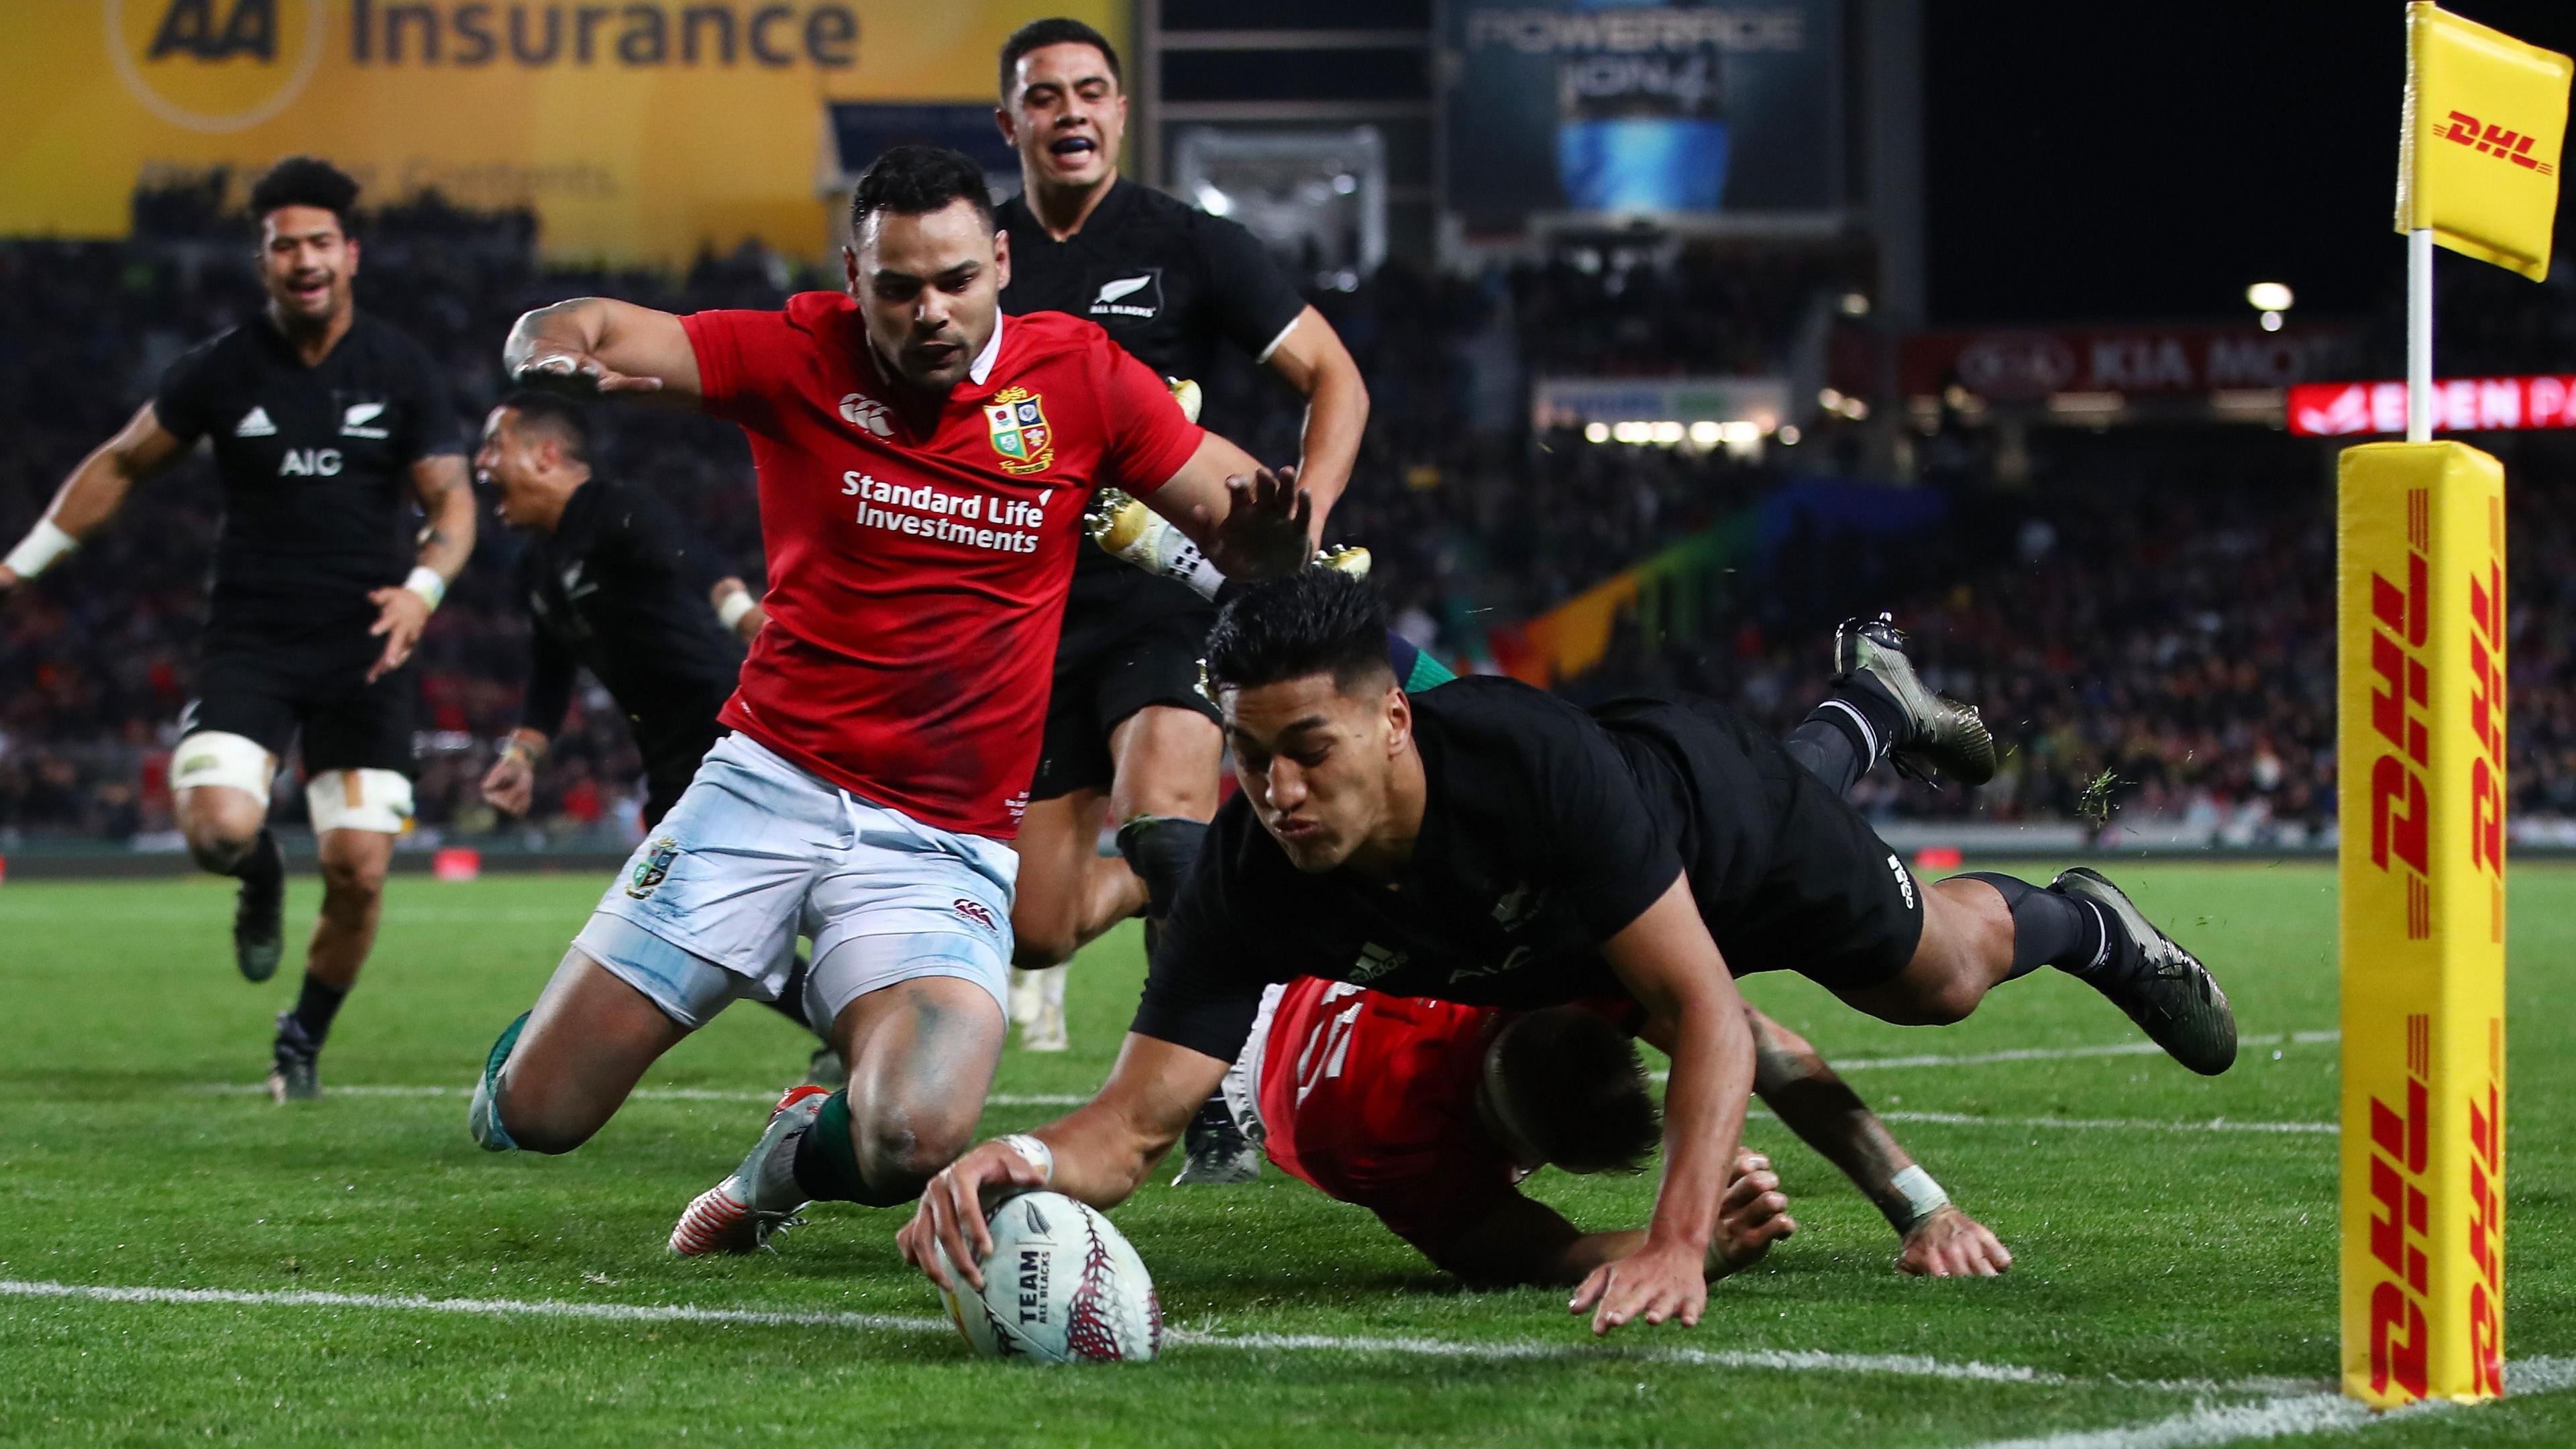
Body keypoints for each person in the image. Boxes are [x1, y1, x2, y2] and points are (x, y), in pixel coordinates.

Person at [896, 571, 2235, 1336]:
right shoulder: (1258, 869)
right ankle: (1867, 708)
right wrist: (1014, 1158)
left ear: (1394, 727)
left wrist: (1679, 1244)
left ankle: (2089, 918)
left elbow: (1711, 1010)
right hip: (1589, 906)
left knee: (1935, 978)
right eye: (1250, 757)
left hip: (1720, 828)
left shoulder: (1528, 769)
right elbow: (1133, 1129)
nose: (1279, 790)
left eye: (1310, 750)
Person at [462, 147, 1316, 1258]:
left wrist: (1267, 545)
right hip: (762, 791)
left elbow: (1234, 513)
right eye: (899, 286)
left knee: (913, 1134)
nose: (930, 312)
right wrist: (546, 349)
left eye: (957, 280)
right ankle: (529, 1064)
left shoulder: (1086, 378)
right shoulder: (792, 351)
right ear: (852, 276)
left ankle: (787, 1159)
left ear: (1001, 262)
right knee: (541, 1116)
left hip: (941, 843)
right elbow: (596, 326)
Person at [0, 157, 474, 1102]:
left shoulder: (400, 368)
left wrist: (423, 586)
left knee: (358, 871)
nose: (303, 259)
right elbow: (124, 464)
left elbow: (453, 505)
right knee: (218, 830)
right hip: (252, 638)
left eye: (318, 242)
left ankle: (299, 1041)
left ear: (351, 254)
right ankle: (257, 874)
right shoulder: (219, 370)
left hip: (366, 648)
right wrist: (19, 563)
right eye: (283, 244)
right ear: (264, 262)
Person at [989, 17, 1371, 1063]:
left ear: (1119, 111)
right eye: (1045, 94)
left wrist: (1304, 530)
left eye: (1090, 90)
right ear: (1011, 119)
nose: (1070, 110)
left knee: (1163, 811)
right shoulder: (976, 260)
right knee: (1037, 925)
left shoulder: (1189, 242)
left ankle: (1218, 1088)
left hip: (1175, 590)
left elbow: (1335, 375)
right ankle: (1221, 868)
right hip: (1032, 611)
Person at [470, 392, 827, 1059]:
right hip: (669, 755)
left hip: (726, 728)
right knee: (714, 917)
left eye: (495, 446)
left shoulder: (617, 508)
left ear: (548, 456)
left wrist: (746, 617)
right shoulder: (536, 567)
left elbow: (696, 561)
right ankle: (855, 1019)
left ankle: (883, 987)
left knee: (718, 908)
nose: (481, 463)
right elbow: (552, 676)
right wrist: (521, 756)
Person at [1232, 982, 2010, 1285]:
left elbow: (1755, 1043)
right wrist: (1692, 1246)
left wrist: (1920, 1205)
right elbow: (1533, 1252)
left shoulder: (1538, 959)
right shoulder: (1380, 1137)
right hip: (1260, 1063)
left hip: (1347, 972)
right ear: (1526, 1159)